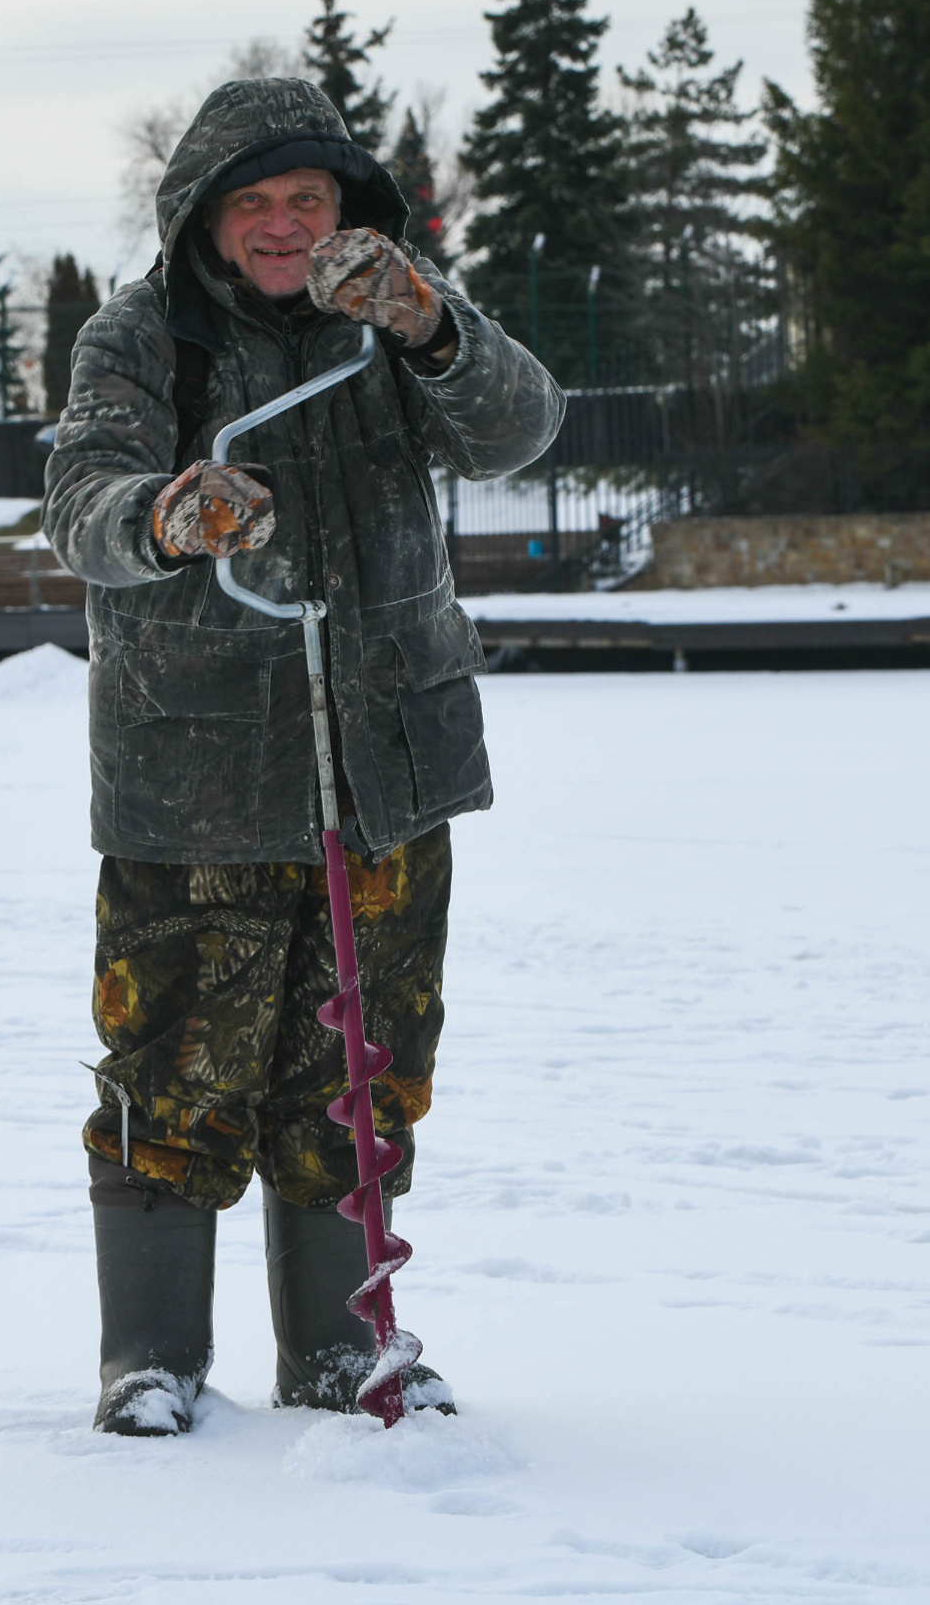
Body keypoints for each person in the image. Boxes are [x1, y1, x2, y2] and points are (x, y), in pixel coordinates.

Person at [42, 77, 564, 1435]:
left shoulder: (393, 316)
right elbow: (80, 503)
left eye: (308, 202)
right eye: (254, 205)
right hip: (194, 783)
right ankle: (149, 1361)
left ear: (348, 213)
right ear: (206, 220)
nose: (283, 229)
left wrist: (434, 325)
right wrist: (166, 513)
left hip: (385, 762)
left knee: (365, 1072)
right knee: (176, 1070)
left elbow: (523, 429)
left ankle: (343, 1356)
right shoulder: (141, 337)